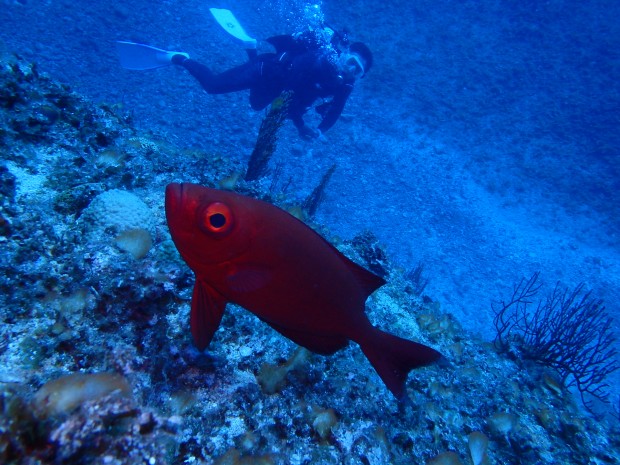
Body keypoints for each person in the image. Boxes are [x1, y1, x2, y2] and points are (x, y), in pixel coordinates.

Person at [166, 30, 372, 140]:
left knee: (255, 105)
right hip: (266, 70)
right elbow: (293, 97)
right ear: (345, 53)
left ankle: (250, 49)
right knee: (212, 86)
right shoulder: (319, 61)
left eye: (358, 71)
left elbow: (335, 111)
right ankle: (180, 58)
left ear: (360, 77)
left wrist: (318, 132)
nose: (351, 70)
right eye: (352, 62)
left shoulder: (345, 85)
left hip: (278, 89)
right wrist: (300, 124)